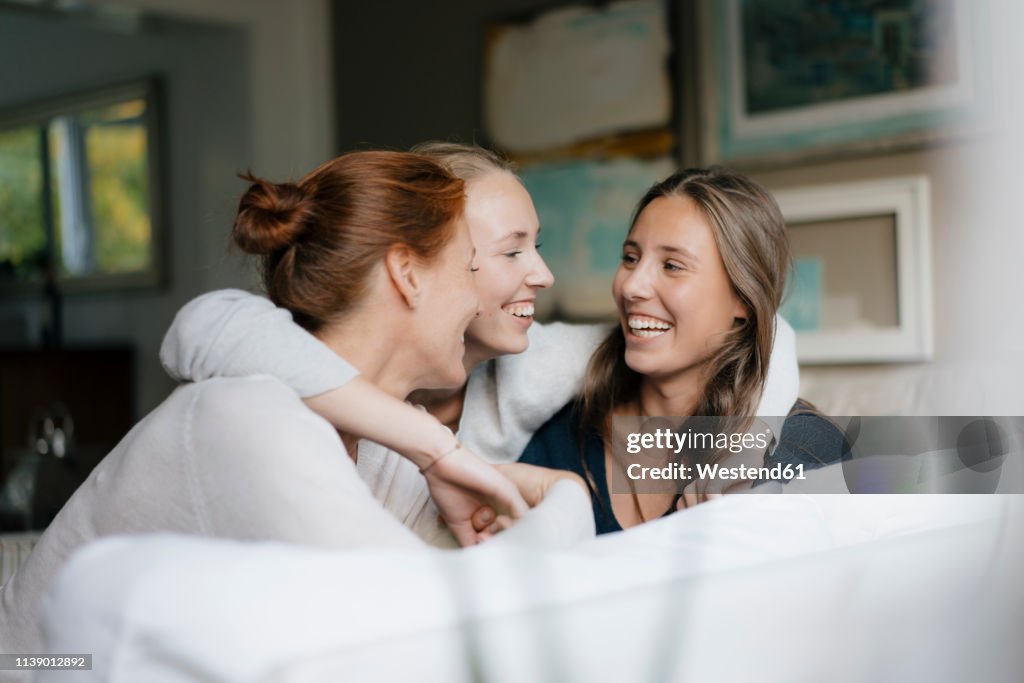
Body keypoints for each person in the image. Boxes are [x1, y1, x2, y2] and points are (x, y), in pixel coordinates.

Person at [0, 151, 593, 655]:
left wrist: (530, 490)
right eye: (473, 267)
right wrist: (562, 496)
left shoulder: (391, 451)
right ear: (408, 273)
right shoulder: (252, 417)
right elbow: (433, 631)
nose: (481, 297)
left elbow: (463, 600)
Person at [159, 144, 802, 540]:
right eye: (509, 251)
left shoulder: (543, 369)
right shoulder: (551, 438)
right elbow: (208, 325)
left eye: (671, 264)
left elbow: (770, 336)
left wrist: (746, 436)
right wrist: (438, 452)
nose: (630, 285)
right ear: (415, 268)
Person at [519, 167, 849, 534]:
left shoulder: (805, 450)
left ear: (743, 298)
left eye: (672, 266)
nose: (632, 286)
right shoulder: (561, 436)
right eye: (630, 258)